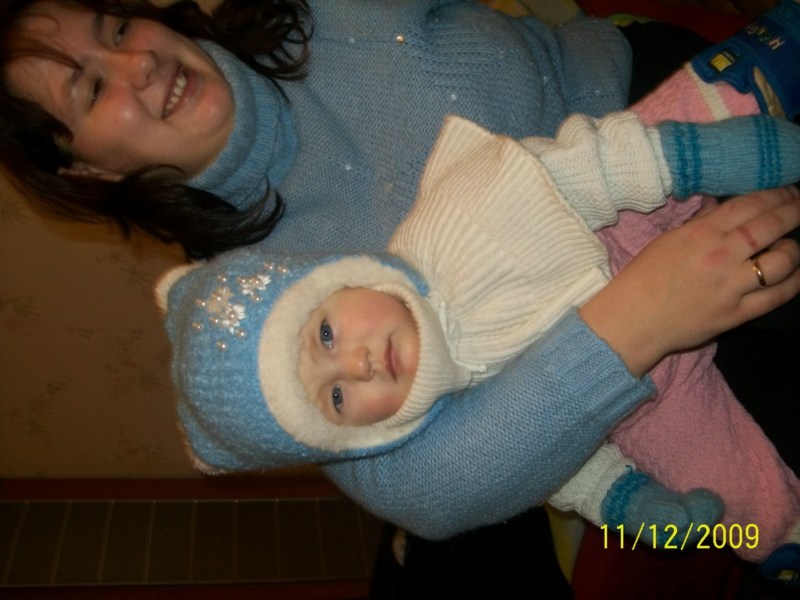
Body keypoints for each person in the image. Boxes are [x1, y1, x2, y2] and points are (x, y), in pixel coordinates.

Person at [3, 0, 800, 583]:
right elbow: (420, 492)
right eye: (90, 89)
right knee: (746, 517)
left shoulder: (314, 14)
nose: (138, 64)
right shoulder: (245, 310)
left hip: (663, 121)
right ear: (85, 168)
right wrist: (639, 322)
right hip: (645, 355)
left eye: (115, 30)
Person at [156, 110, 800, 572]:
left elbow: (594, 169)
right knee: (752, 520)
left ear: (334, 279)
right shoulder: (447, 422)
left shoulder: (451, 225)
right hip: (650, 398)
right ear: (351, 438)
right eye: (337, 398)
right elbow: (559, 464)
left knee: (700, 123)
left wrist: (700, 158)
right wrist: (628, 502)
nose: (357, 364)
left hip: (627, 226)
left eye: (326, 334)